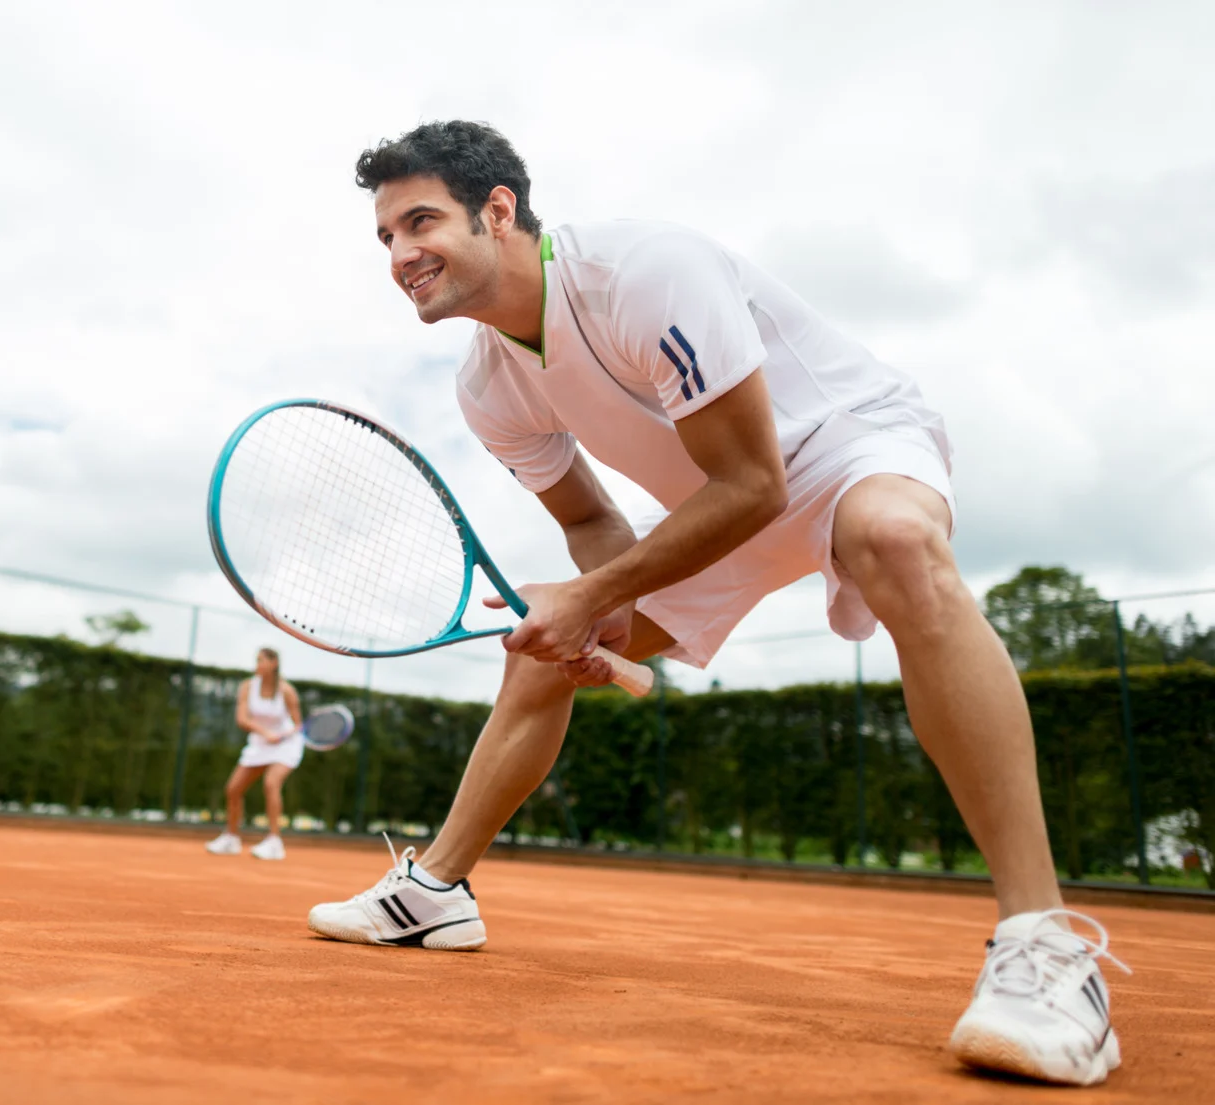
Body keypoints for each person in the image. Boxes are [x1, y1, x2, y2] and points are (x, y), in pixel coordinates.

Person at [305, 121, 1128, 1087]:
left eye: (420, 222)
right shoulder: (488, 384)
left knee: (897, 543)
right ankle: (435, 891)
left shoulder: (646, 271)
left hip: (842, 444)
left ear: (497, 211)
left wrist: (593, 598)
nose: (401, 255)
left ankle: (1048, 948)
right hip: (724, 501)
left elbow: (755, 483)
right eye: (386, 238)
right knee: (534, 648)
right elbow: (594, 529)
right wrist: (587, 621)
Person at [206, 647, 302, 861]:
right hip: (260, 743)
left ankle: (275, 842)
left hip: (286, 745)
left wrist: (282, 734)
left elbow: (298, 725)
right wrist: (266, 733)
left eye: (261, 660)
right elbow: (242, 719)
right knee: (233, 789)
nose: (257, 664)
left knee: (271, 783)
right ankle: (231, 838)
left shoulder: (287, 691)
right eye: (256, 660)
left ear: (274, 663)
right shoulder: (248, 686)